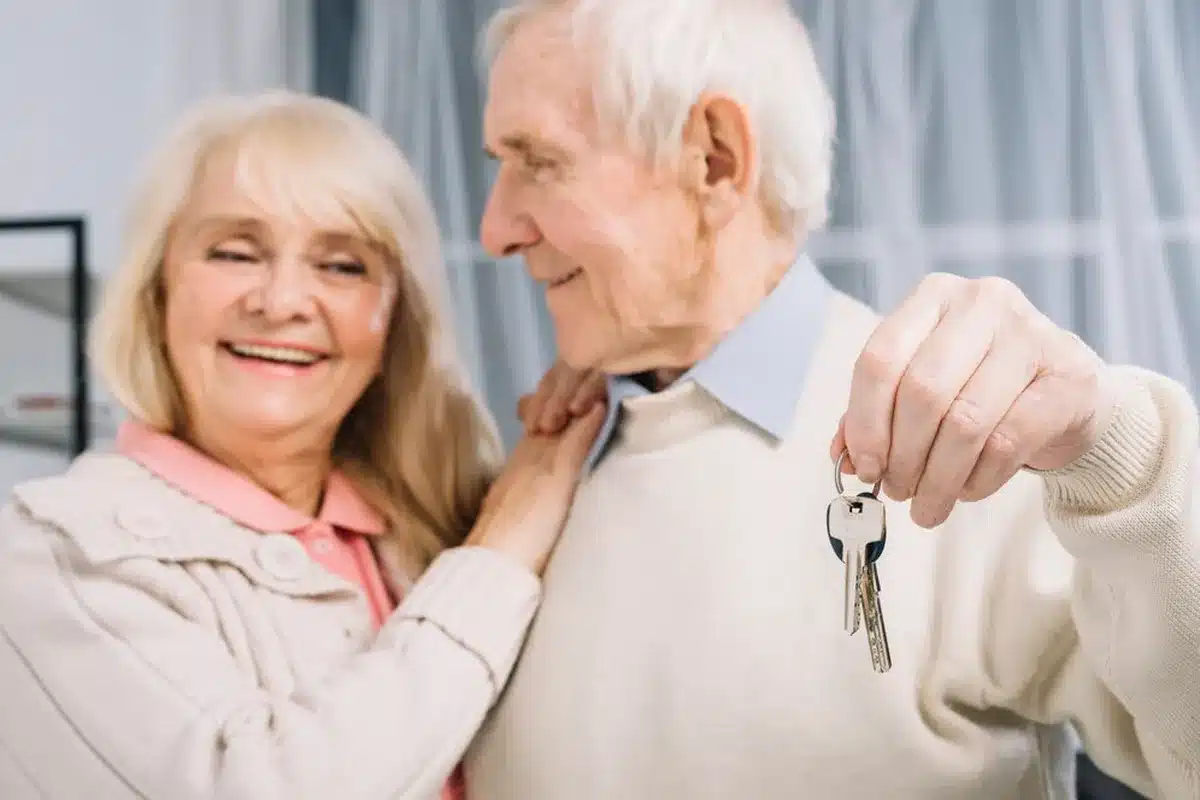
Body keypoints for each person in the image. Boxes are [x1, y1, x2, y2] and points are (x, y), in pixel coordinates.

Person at [463, 1, 1200, 798]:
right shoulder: (527, 483)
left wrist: (1119, 452)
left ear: (714, 159)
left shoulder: (976, 439)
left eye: (537, 161)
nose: (494, 230)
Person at [0, 91, 607, 800]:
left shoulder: (436, 524)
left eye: (343, 266)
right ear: (157, 293)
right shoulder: (52, 550)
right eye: (234, 253)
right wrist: (500, 552)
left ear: (392, 325)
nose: (282, 300)